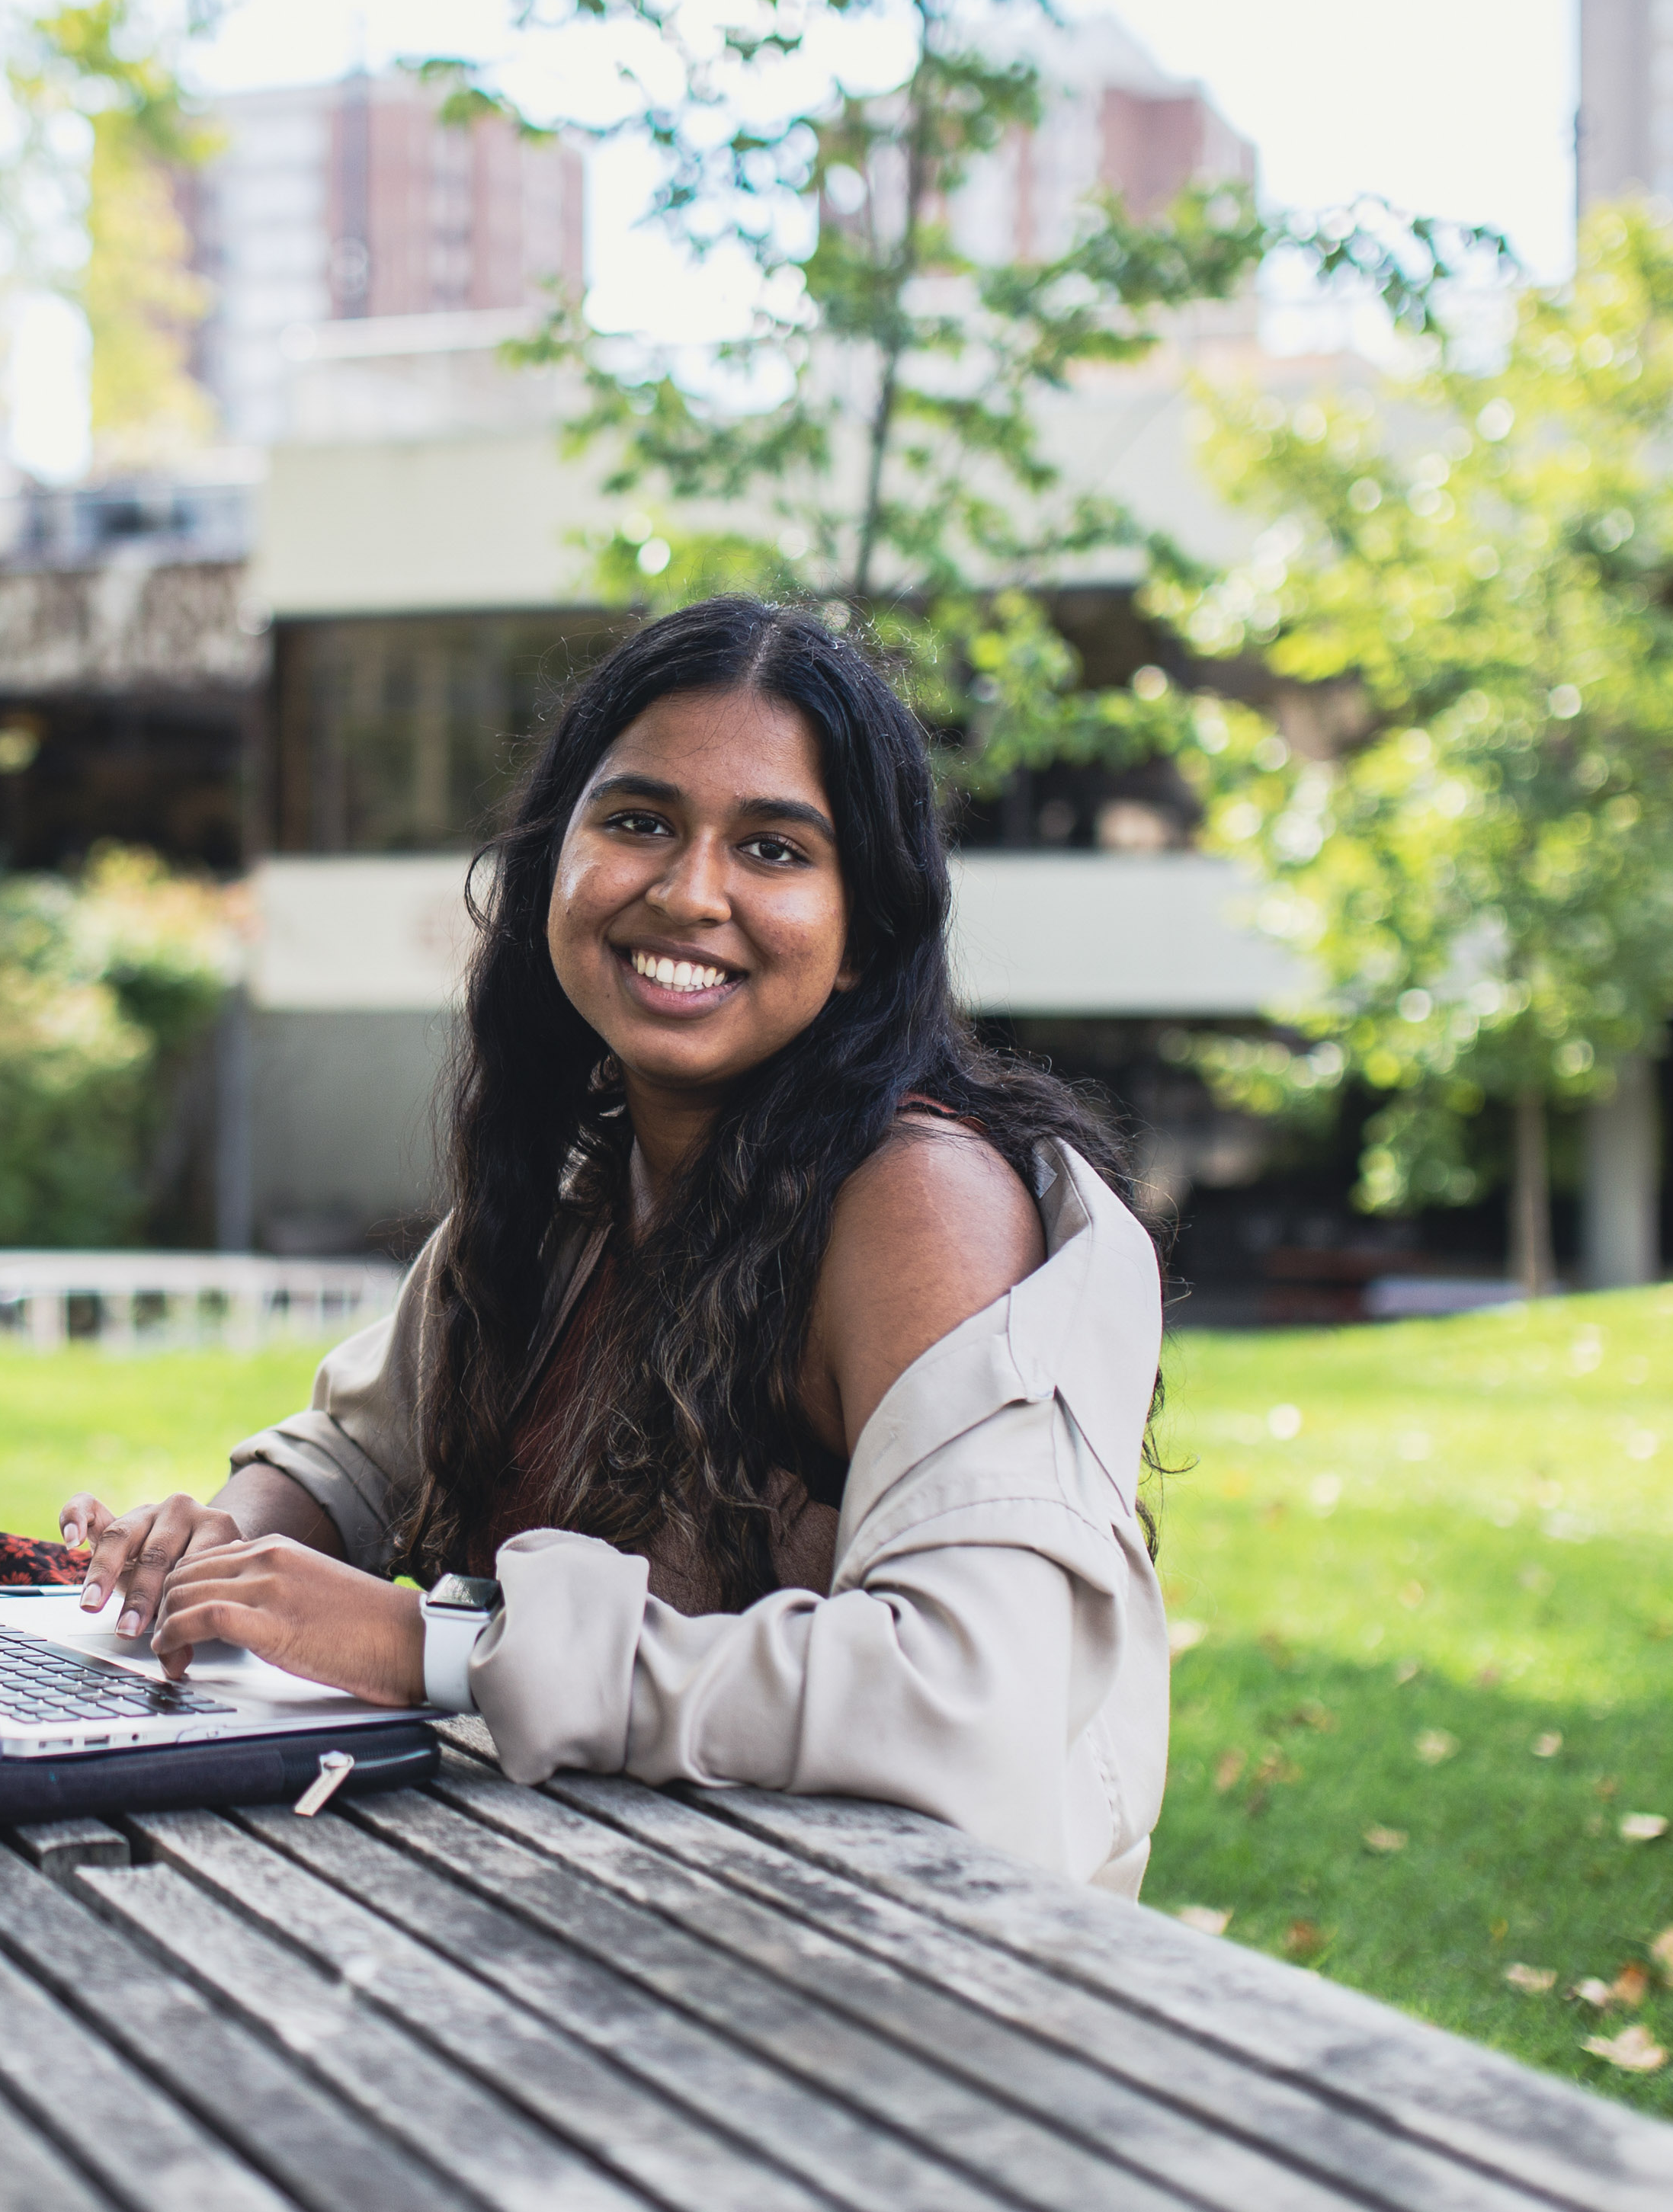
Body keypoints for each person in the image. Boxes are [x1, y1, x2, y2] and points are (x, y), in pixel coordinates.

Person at [60, 597, 1170, 1892]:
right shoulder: (581, 1178)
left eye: (772, 849)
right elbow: (355, 1459)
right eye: (639, 822)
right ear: (557, 864)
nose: (689, 892)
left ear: (865, 932)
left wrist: (433, 1647)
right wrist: (220, 1554)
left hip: (868, 1987)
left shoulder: (918, 1200)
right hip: (570, 1911)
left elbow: (970, 1707)